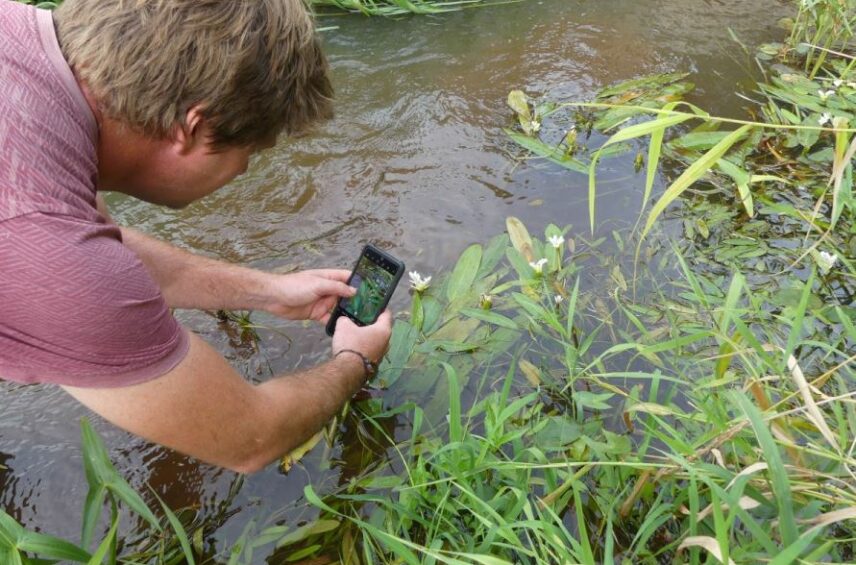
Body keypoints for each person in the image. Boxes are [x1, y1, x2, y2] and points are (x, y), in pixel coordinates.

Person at [0, 0, 393, 474]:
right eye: (250, 152)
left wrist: (267, 291)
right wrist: (356, 358)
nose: (245, 169)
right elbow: (250, 436)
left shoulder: (17, 33)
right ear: (193, 128)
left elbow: (100, 241)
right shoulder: (46, 244)